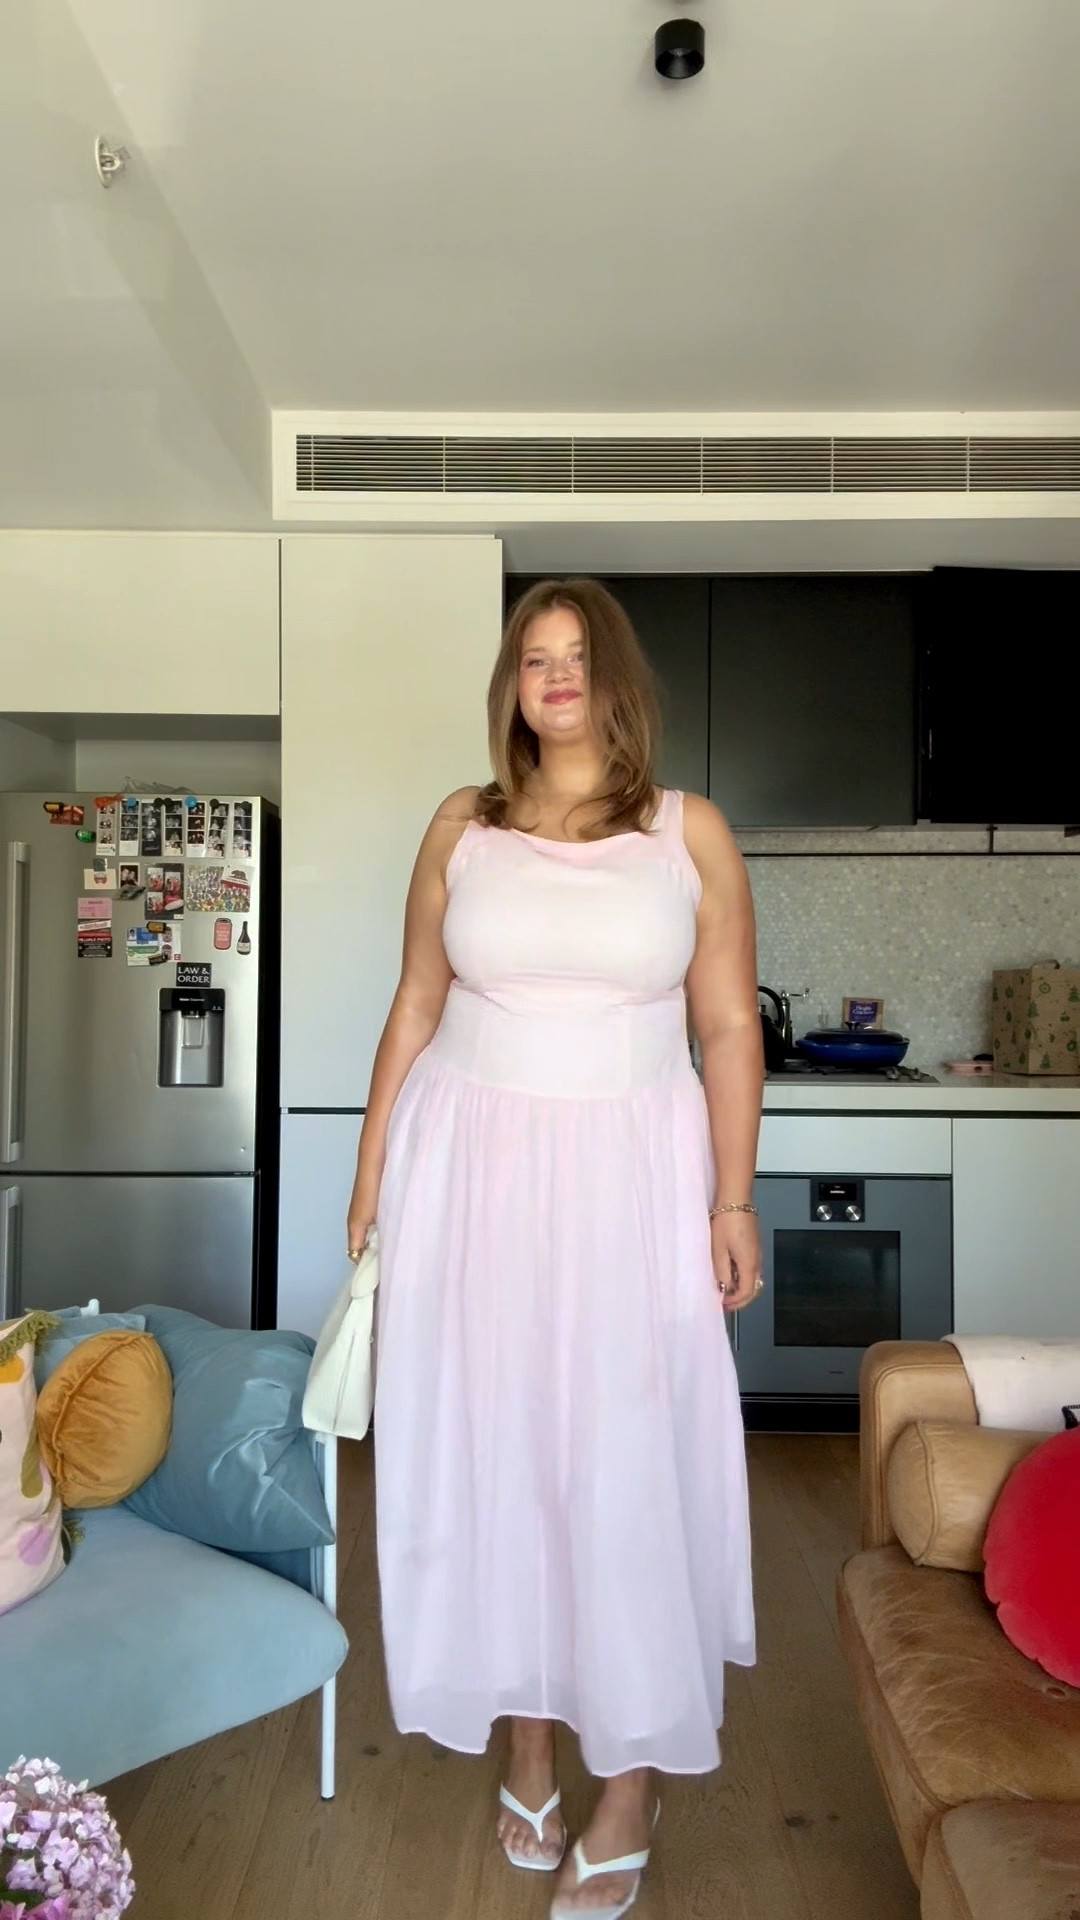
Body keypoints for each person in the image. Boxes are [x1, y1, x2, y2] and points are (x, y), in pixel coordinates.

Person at [347, 577, 761, 1920]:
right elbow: (416, 1002)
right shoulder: (461, 825)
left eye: (579, 654)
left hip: (633, 1180)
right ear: (512, 686)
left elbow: (728, 1028)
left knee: (625, 1460)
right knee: (501, 1448)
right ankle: (528, 1741)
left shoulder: (688, 831)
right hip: (469, 1175)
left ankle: (629, 1782)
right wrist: (370, 1172)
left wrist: (732, 1199)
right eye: (536, 657)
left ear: (617, 677)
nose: (558, 674)